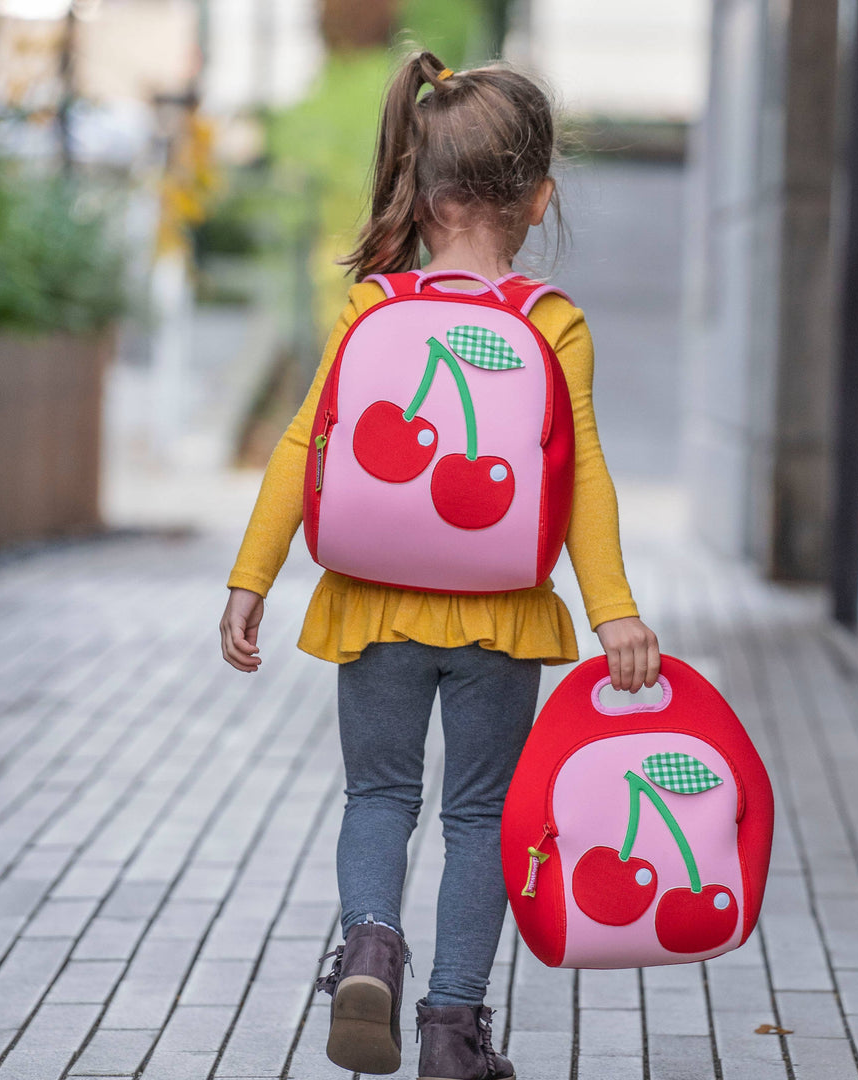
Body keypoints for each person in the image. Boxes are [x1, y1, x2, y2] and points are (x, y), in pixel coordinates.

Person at [219, 50, 659, 1080]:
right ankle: (454, 1031)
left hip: (371, 605)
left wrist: (251, 579)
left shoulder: (373, 310)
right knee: (479, 818)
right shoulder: (551, 324)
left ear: (417, 186)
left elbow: (301, 445)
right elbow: (583, 475)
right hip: (501, 615)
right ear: (540, 198)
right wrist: (615, 614)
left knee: (378, 798)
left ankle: (368, 942)